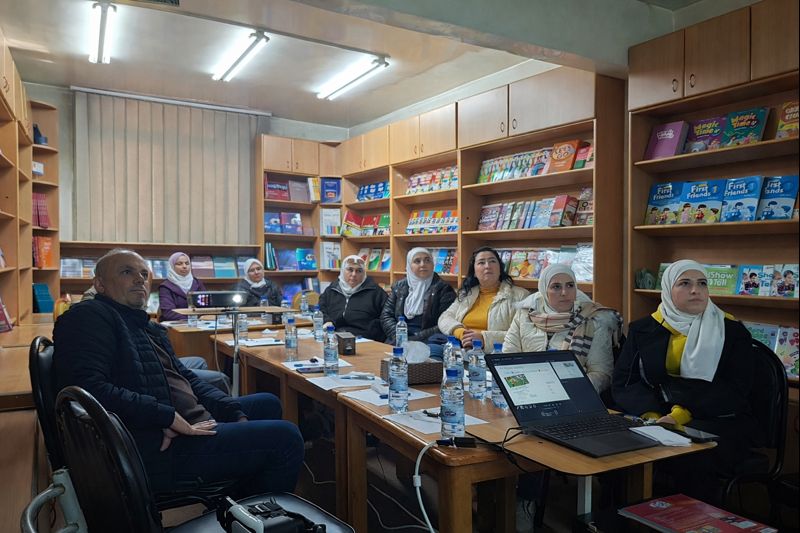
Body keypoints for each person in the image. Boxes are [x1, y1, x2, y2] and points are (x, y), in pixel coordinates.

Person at [53, 249, 304, 496]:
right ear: (100, 284)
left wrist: (231, 411)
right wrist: (164, 417)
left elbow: (187, 378)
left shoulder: (145, 326)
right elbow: (87, 389)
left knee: (268, 403)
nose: (140, 279)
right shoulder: (88, 316)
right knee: (287, 437)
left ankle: (238, 500)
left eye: (144, 273)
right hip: (159, 446)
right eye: (127, 272)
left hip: (186, 421)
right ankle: (250, 511)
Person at [612, 259, 760, 503]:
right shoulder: (643, 329)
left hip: (716, 416)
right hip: (656, 411)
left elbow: (735, 389)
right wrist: (651, 415)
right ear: (668, 289)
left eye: (702, 283)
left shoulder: (732, 331)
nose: (695, 290)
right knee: (617, 446)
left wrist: (680, 416)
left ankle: (688, 520)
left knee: (691, 457)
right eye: (685, 283)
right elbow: (625, 381)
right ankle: (618, 516)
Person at [504, 264, 622, 394]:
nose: (565, 293)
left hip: (573, 394)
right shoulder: (524, 315)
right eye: (556, 287)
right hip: (527, 391)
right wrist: (524, 390)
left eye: (570, 285)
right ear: (544, 290)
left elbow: (602, 374)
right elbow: (507, 360)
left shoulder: (593, 320)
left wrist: (567, 390)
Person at [438, 246, 528, 349]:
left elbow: (523, 334)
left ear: (500, 269)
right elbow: (444, 318)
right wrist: (460, 332)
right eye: (481, 262)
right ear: (474, 272)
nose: (487, 266)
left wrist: (484, 339)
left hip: (494, 352)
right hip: (460, 348)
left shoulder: (520, 296)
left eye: (492, 261)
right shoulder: (466, 294)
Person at [380, 247, 456, 348]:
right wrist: (398, 335)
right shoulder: (399, 286)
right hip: (398, 338)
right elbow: (386, 315)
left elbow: (446, 322)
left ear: (433, 264)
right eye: (417, 261)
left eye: (427, 260)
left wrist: (415, 338)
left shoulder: (443, 288)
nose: (423, 264)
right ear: (409, 265)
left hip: (429, 340)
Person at [319, 255, 388, 341]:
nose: (354, 274)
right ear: (342, 270)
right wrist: (327, 321)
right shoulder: (332, 290)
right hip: (335, 336)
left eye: (359, 271)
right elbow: (321, 309)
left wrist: (373, 331)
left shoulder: (376, 292)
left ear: (364, 273)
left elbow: (387, 317)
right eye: (350, 270)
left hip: (364, 339)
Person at [159, 252, 206, 321]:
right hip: (175, 324)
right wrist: (193, 319)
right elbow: (168, 313)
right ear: (172, 266)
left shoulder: (197, 283)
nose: (184, 266)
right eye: (179, 264)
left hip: (199, 323)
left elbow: (207, 306)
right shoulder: (166, 287)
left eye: (187, 263)